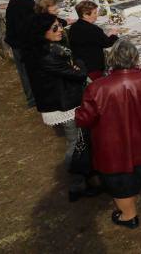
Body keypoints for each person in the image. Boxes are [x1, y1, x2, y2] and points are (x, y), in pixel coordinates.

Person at [76, 39, 141, 229]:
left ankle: (129, 216)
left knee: (118, 179)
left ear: (112, 59)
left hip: (112, 144)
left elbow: (83, 119)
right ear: (135, 58)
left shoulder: (97, 88)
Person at [23, 13, 95, 201]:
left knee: (78, 141)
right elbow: (79, 74)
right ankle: (77, 184)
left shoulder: (43, 50)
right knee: (75, 143)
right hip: (64, 103)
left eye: (60, 25)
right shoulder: (47, 56)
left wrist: (75, 67)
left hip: (62, 99)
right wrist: (79, 65)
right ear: (42, 32)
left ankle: (83, 176)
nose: (60, 30)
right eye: (55, 28)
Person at [4, 0, 38, 107]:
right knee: (29, 71)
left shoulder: (15, 0)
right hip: (25, 44)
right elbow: (35, 23)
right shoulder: (27, 3)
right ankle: (34, 99)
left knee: (24, 72)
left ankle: (31, 98)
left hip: (16, 42)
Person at [69, 1, 119, 80]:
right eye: (94, 13)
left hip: (80, 65)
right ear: (85, 15)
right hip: (93, 68)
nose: (97, 15)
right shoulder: (92, 29)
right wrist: (114, 35)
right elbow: (107, 43)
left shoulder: (73, 27)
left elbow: (93, 40)